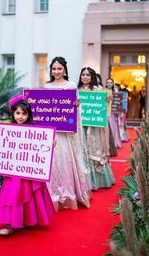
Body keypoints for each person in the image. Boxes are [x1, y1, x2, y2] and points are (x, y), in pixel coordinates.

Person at [0, 94, 55, 236]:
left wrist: (50, 145)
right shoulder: (7, 130)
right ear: (13, 113)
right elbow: (2, 148)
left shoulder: (35, 130)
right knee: (13, 194)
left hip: (29, 172)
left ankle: (26, 220)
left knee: (28, 193)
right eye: (18, 113)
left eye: (24, 113)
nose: (20, 116)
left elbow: (40, 150)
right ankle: (10, 223)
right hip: (13, 172)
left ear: (29, 115)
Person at [44, 57, 91, 210]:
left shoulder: (71, 85)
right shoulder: (46, 86)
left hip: (65, 131)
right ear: (51, 70)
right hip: (52, 131)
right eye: (54, 69)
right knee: (53, 161)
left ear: (64, 69)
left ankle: (69, 193)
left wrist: (76, 106)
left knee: (64, 159)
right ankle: (51, 194)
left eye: (59, 68)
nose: (56, 71)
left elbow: (77, 109)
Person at [78, 67, 115, 190]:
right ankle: (83, 182)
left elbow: (104, 107)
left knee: (94, 149)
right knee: (82, 150)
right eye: (83, 75)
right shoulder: (76, 91)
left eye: (88, 75)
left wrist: (107, 101)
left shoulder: (98, 90)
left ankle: (98, 181)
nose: (85, 77)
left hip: (94, 126)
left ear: (92, 77)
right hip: (81, 126)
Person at [105, 78, 122, 152]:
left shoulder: (115, 92)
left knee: (113, 128)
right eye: (108, 82)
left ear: (112, 83)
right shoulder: (103, 91)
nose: (109, 84)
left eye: (110, 82)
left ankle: (114, 143)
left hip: (113, 113)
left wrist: (118, 112)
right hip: (106, 112)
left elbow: (119, 103)